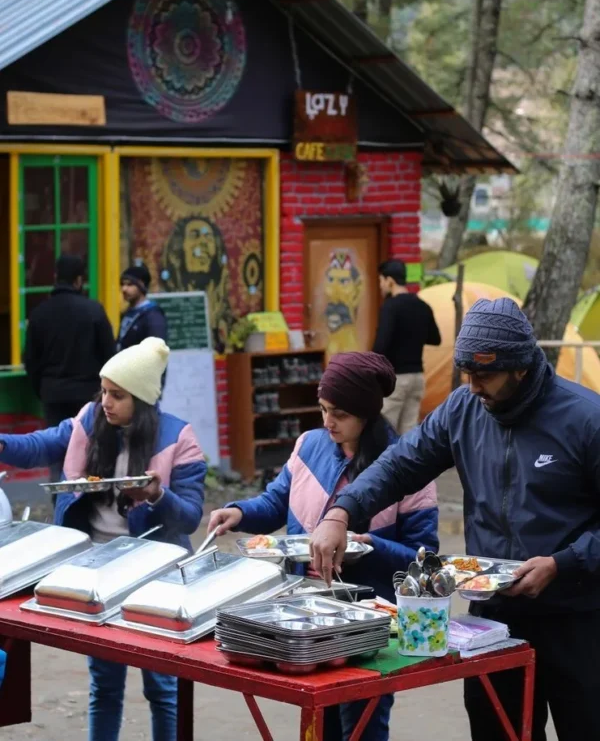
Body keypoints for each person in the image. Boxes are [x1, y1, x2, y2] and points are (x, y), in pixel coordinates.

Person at [311, 298, 600, 741]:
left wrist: (564, 563)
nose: (473, 385)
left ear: (520, 367)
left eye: (485, 375)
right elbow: (399, 465)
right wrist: (341, 511)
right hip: (495, 619)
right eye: (466, 373)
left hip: (578, 617)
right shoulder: (462, 410)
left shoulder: (585, 418)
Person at [208, 351, 438, 741]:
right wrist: (239, 513)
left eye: (340, 414)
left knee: (364, 723)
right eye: (323, 409)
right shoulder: (309, 446)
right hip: (306, 611)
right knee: (318, 719)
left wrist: (371, 545)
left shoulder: (407, 469)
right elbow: (276, 502)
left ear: (367, 413)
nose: (328, 421)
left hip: (369, 620)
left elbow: (425, 561)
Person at [0, 337, 206, 741]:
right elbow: (39, 446)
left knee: (162, 688)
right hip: (96, 570)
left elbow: (191, 516)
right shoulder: (89, 420)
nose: (105, 403)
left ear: (141, 399)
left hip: (157, 574)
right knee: (105, 684)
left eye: (117, 395)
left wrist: (157, 495)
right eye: (104, 391)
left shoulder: (178, 438)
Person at [24, 255, 116, 485]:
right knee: (91, 449)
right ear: (79, 280)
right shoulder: (94, 311)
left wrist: (43, 389)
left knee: (58, 450)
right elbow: (110, 356)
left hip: (53, 395)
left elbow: (30, 360)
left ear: (56, 277)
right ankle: (92, 496)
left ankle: (60, 497)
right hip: (89, 395)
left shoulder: (39, 313)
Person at [373, 260, 440, 434]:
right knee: (409, 433)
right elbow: (435, 338)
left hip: (395, 379)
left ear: (390, 281)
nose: (380, 286)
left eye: (381, 281)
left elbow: (381, 346)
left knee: (384, 431)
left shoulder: (390, 307)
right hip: (417, 378)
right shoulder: (423, 305)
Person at [118, 264, 167, 352]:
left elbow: (157, 352)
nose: (124, 289)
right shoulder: (127, 312)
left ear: (142, 285)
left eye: (129, 284)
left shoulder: (153, 315)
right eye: (122, 284)